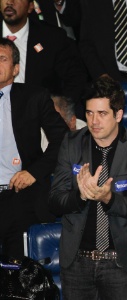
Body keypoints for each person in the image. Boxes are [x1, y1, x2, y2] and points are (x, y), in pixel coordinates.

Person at [48, 77, 127, 299]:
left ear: (118, 115)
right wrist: (80, 196)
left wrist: (109, 198)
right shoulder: (71, 143)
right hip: (77, 260)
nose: (94, 121)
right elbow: (54, 201)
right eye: (89, 113)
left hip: (119, 261)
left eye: (102, 113)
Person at [0, 38, 67, 258]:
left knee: (19, 276)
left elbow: (63, 139)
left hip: (20, 198)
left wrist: (34, 173)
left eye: (2, 58)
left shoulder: (33, 97)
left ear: (16, 68)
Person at [1, 0, 86, 107]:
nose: (9, 2)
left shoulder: (52, 38)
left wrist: (59, 107)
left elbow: (75, 78)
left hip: (38, 116)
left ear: (30, 7)